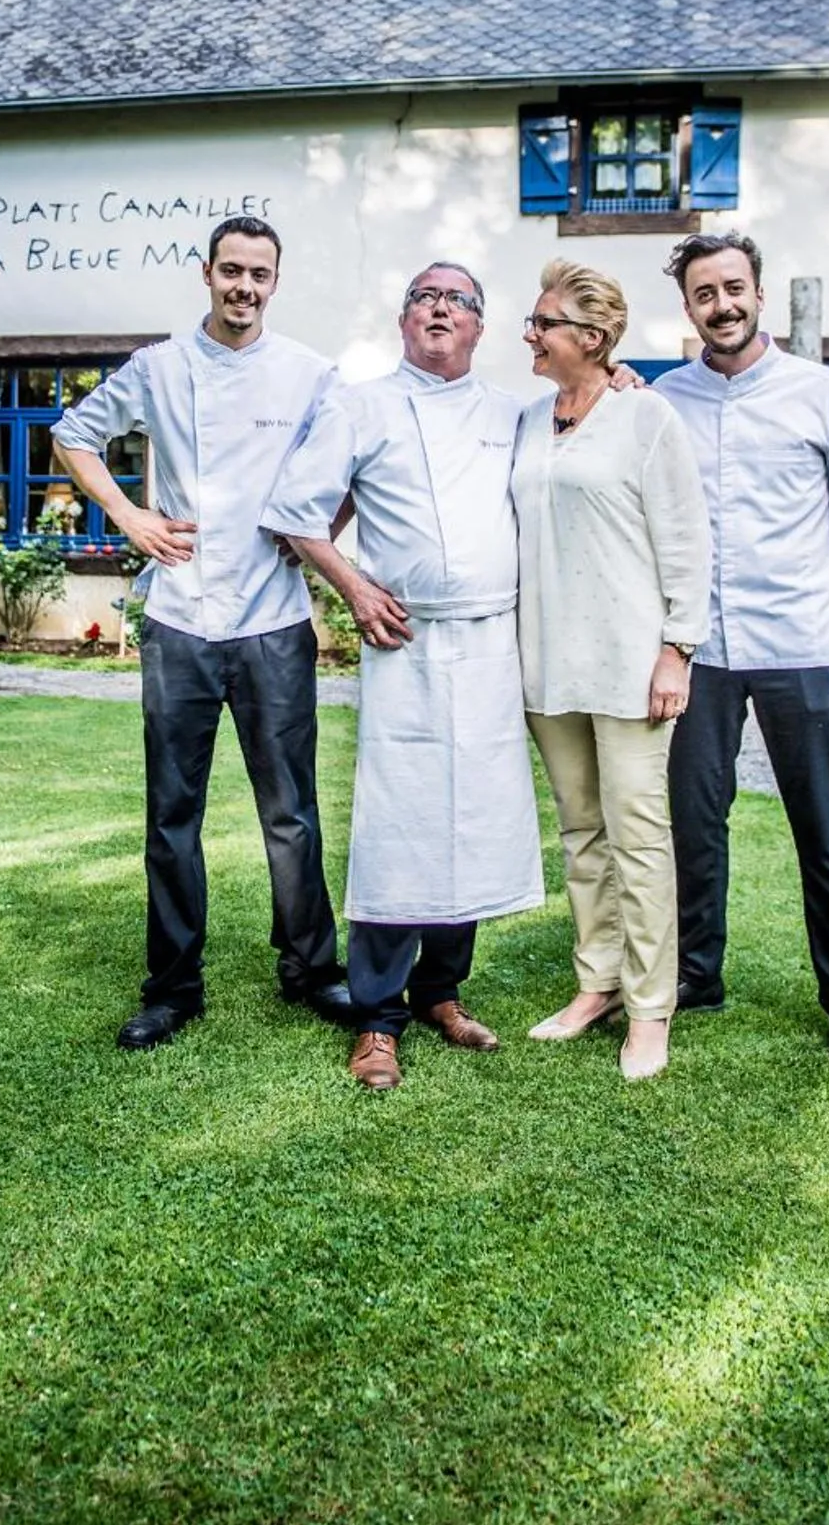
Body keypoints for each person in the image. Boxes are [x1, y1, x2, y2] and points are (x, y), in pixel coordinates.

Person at [56, 216, 352, 1050]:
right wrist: (127, 513)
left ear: (275, 282)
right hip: (181, 618)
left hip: (274, 621)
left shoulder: (308, 373)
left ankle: (311, 969)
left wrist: (315, 533)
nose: (244, 287)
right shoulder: (158, 367)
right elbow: (73, 433)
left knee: (290, 810)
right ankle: (173, 987)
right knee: (171, 813)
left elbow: (355, 462)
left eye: (259, 274)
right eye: (231, 271)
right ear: (206, 273)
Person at [261, 261, 543, 1092]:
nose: (439, 309)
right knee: (402, 824)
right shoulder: (360, 404)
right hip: (405, 639)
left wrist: (619, 374)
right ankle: (377, 1016)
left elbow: (587, 420)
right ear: (402, 319)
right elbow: (294, 511)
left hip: (491, 639)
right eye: (424, 296)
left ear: (480, 327)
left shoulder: (512, 412)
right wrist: (353, 588)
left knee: (475, 820)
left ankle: (441, 992)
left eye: (457, 300)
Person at [655, 231, 829, 1077]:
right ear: (686, 306)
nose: (720, 304)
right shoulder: (662, 400)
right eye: (702, 293)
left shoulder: (820, 393)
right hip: (701, 649)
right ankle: (695, 973)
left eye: (733, 287)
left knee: (824, 831)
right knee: (692, 823)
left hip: (803, 641)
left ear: (758, 293)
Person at [514, 260, 711, 1081]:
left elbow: (687, 540)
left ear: (589, 338)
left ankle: (649, 1008)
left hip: (631, 664)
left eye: (542, 320)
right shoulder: (525, 419)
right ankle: (594, 982)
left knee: (638, 836)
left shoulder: (645, 417)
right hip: (546, 661)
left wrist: (677, 648)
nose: (528, 331)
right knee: (580, 832)